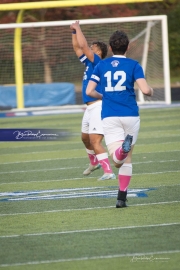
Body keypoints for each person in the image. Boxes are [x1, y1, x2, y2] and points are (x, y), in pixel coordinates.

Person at [86, 30, 153, 207]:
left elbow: (89, 91)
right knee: (127, 158)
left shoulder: (101, 65)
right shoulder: (134, 65)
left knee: (117, 161)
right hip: (130, 114)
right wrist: (151, 91)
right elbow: (146, 90)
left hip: (110, 115)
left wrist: (104, 96)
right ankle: (121, 198)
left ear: (110, 47)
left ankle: (121, 153)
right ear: (128, 47)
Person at [70, 20, 115, 180]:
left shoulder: (98, 62)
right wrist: (74, 33)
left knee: (95, 141)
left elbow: (83, 46)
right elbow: (77, 47)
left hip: (98, 106)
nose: (90, 48)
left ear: (99, 52)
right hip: (89, 108)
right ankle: (94, 162)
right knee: (85, 138)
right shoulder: (89, 63)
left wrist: (78, 27)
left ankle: (108, 172)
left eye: (93, 47)